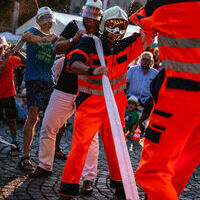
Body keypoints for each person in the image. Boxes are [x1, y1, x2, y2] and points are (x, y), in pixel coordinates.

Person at [58, 6, 151, 200]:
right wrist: (92, 70)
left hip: (116, 106)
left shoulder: (125, 45)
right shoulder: (89, 43)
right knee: (80, 147)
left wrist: (152, 7)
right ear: (103, 25)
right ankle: (67, 190)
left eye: (121, 27)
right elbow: (72, 63)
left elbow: (148, 33)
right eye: (112, 26)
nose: (116, 32)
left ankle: (120, 184)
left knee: (117, 145)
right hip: (90, 103)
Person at [29, 0, 103, 195]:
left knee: (91, 138)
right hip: (65, 86)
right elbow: (56, 48)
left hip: (89, 91)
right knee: (48, 126)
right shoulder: (74, 26)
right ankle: (45, 164)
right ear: (84, 12)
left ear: (100, 15)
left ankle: (88, 178)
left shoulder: (103, 33)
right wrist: (73, 40)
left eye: (95, 13)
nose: (91, 17)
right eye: (89, 12)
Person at [129, 1, 200, 199]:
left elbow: (141, 20)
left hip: (181, 96)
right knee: (177, 169)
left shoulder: (164, 3)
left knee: (152, 173)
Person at [18, 6, 57, 171]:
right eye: (44, 17)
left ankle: (48, 157)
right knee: (33, 117)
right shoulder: (33, 30)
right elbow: (26, 37)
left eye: (49, 17)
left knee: (52, 121)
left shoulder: (56, 36)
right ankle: (25, 156)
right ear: (39, 20)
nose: (47, 20)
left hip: (49, 81)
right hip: (34, 80)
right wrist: (47, 40)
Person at [0, 36, 25, 156]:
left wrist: (18, 52)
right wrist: (6, 58)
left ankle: (14, 142)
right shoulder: (6, 59)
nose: (1, 50)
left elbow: (25, 62)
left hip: (9, 94)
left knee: (12, 119)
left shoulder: (9, 58)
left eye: (2, 47)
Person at [126, 51, 158, 125]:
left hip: (146, 98)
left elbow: (157, 88)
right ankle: (127, 123)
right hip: (132, 95)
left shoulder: (155, 73)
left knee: (151, 103)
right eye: (143, 59)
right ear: (140, 60)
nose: (145, 61)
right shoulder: (132, 70)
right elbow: (126, 83)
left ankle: (138, 123)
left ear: (151, 62)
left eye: (147, 60)